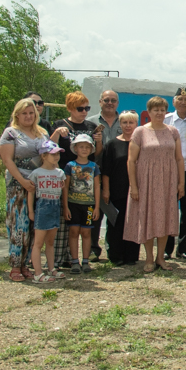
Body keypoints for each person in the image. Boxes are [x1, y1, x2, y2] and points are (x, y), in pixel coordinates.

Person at [126, 96, 185, 273]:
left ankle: (161, 257)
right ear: (149, 112)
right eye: (155, 109)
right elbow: (131, 160)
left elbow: (179, 158)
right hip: (146, 182)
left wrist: (181, 183)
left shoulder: (173, 131)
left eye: (162, 109)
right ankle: (149, 258)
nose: (159, 113)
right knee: (148, 217)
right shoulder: (140, 132)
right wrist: (134, 186)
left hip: (167, 181)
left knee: (165, 217)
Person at [50, 91, 100, 268]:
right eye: (80, 108)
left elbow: (96, 153)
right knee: (65, 223)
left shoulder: (92, 126)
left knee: (82, 227)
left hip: (86, 179)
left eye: (87, 108)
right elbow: (49, 148)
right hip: (64, 175)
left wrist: (99, 141)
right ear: (70, 108)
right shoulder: (59, 124)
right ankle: (62, 258)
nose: (84, 112)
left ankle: (83, 258)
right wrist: (57, 133)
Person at [0, 98, 46, 281]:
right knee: (19, 224)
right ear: (17, 114)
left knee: (34, 226)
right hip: (18, 185)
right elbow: (7, 160)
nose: (28, 116)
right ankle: (15, 265)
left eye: (31, 112)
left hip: (38, 185)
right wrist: (22, 181)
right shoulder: (11, 133)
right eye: (24, 113)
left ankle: (27, 264)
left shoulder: (42, 133)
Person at [100, 111, 142, 266]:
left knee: (133, 223)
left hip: (136, 191)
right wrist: (106, 189)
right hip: (116, 191)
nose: (128, 126)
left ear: (136, 125)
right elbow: (106, 170)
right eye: (124, 123)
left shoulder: (141, 144)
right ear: (120, 124)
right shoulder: (111, 144)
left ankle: (131, 256)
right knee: (116, 224)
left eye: (131, 123)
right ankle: (116, 255)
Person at [162, 87, 186, 259]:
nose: (183, 102)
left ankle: (183, 249)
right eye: (180, 99)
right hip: (169, 169)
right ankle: (166, 248)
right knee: (169, 209)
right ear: (174, 101)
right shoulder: (166, 120)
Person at [87, 89, 122, 259]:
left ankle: (113, 248)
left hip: (119, 174)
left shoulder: (124, 122)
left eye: (113, 100)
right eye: (106, 100)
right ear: (100, 101)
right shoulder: (90, 122)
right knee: (96, 212)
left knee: (114, 212)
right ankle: (94, 249)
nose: (110, 103)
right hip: (96, 173)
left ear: (117, 103)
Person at [28, 139, 68, 283]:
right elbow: (31, 192)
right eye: (52, 154)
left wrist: (64, 208)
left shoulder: (60, 173)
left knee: (50, 241)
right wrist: (31, 211)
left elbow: (63, 191)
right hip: (43, 206)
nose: (56, 157)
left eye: (58, 154)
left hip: (55, 206)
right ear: (43, 156)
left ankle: (52, 269)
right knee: (38, 242)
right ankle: (38, 273)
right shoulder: (37, 173)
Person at [65, 133, 101, 273]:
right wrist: (66, 206)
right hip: (73, 204)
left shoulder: (94, 167)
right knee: (73, 232)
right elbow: (66, 187)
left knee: (86, 233)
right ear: (75, 148)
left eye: (87, 147)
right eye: (81, 147)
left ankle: (85, 261)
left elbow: (97, 187)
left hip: (89, 205)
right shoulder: (70, 166)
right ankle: (75, 261)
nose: (84, 149)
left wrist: (97, 207)